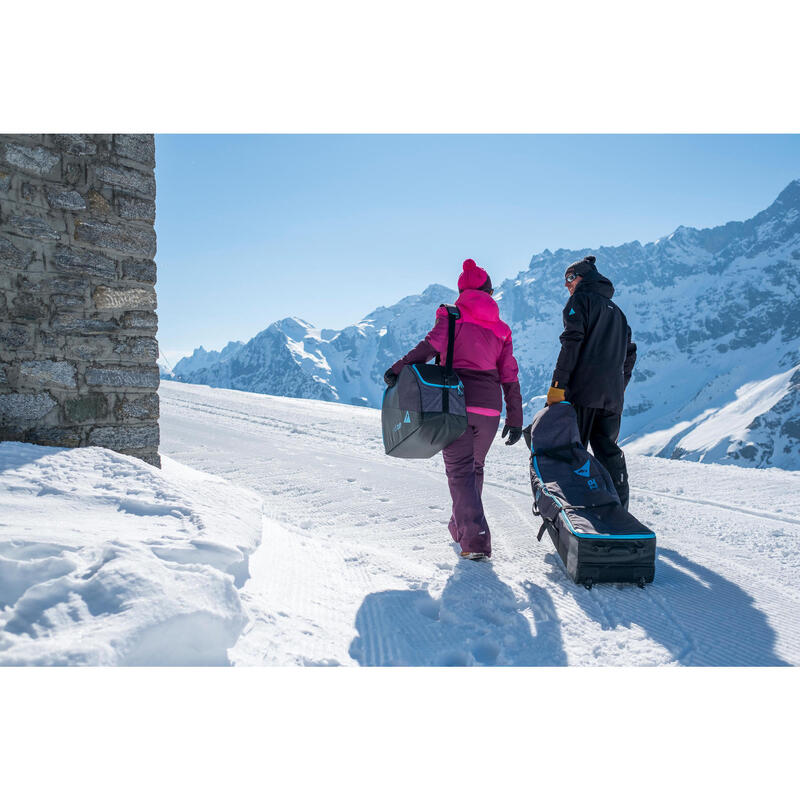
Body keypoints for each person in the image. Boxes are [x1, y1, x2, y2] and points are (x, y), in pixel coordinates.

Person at [384, 258, 523, 561]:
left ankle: (475, 540)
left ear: (463, 291)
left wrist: (396, 370)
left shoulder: (452, 317)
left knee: (460, 473)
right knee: (474, 469)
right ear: (488, 292)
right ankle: (460, 525)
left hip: (454, 404)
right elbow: (509, 376)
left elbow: (426, 349)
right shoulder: (501, 329)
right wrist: (515, 418)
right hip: (490, 410)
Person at [546, 255, 637, 509]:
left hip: (583, 393)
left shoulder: (580, 300)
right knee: (609, 453)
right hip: (612, 400)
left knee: (573, 452)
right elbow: (630, 354)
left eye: (570, 278)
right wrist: (619, 386)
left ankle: (576, 512)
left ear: (583, 278)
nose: (567, 285)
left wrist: (557, 385)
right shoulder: (618, 313)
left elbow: (571, 343)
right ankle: (619, 512)